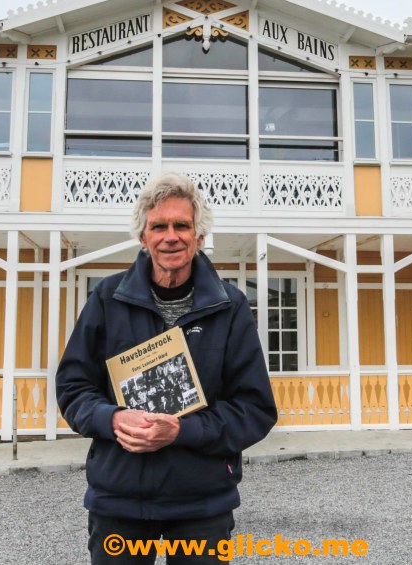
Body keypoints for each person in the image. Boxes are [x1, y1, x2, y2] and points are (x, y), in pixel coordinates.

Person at [56, 172, 277, 564]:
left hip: (202, 503)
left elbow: (255, 409)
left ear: (199, 236)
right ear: (143, 237)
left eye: (182, 226)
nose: (170, 237)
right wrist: (112, 418)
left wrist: (182, 431)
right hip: (119, 498)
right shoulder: (107, 298)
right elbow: (73, 387)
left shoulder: (230, 306)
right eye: (158, 226)